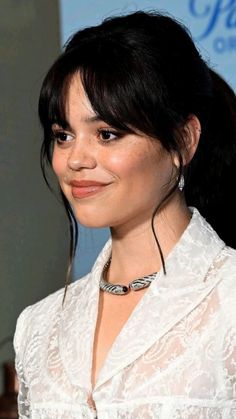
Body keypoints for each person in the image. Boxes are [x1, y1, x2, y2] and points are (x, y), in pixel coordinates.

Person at [14, 10, 236, 418]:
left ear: (183, 141)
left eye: (106, 134)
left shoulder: (229, 300)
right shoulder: (37, 328)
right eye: (63, 135)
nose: (75, 159)